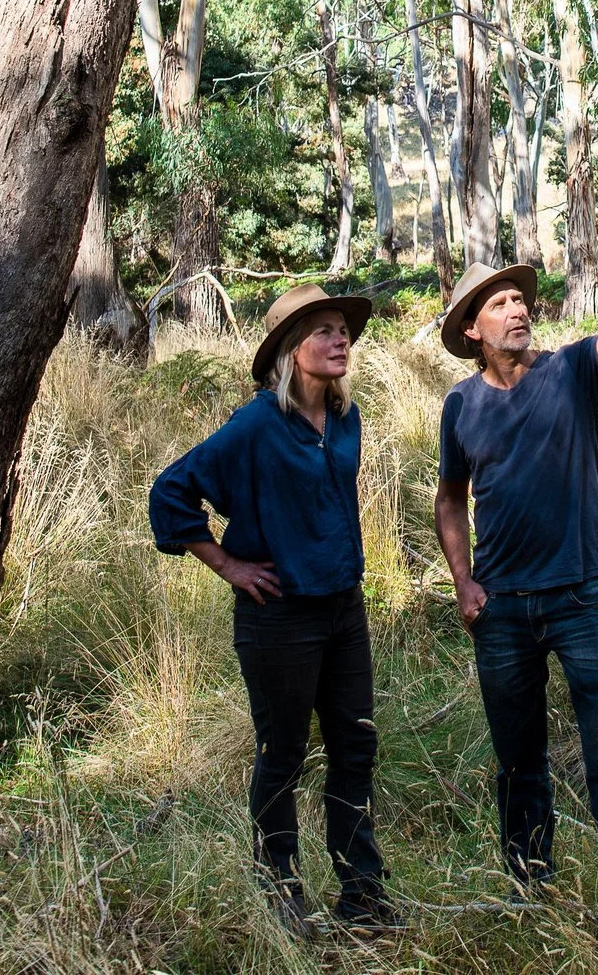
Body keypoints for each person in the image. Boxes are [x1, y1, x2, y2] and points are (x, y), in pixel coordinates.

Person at [434, 210, 598, 959]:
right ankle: (530, 886)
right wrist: (463, 581)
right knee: (519, 759)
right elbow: (451, 499)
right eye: (500, 304)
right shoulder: (460, 405)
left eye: (521, 299)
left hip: (583, 593)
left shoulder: (575, 368)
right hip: (502, 607)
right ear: (474, 330)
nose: (518, 308)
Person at [148, 284, 397, 936]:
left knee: (355, 747)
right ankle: (281, 891)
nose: (340, 338)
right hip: (279, 617)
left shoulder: (347, 419)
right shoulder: (257, 423)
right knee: (282, 754)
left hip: (344, 608)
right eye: (323, 330)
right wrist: (227, 563)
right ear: (291, 349)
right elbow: (172, 490)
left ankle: (362, 892)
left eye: (343, 328)